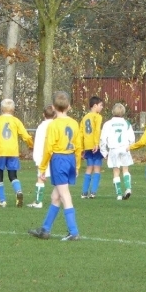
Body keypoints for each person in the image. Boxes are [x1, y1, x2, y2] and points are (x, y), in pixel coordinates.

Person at [29, 91, 82, 241]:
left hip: (59, 160)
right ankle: (45, 230)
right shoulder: (74, 123)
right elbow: (78, 146)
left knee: (64, 195)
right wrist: (77, 165)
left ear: (53, 107)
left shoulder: (53, 125)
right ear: (69, 107)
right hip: (71, 158)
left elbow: (49, 148)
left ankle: (74, 231)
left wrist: (42, 167)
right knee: (55, 196)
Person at [0, 99, 34, 208]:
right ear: (13, 109)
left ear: (1, 109)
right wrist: (31, 144)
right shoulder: (16, 121)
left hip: (1, 152)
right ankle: (18, 191)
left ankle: (2, 201)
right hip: (13, 153)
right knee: (13, 175)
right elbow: (25, 135)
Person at [100, 103, 135, 200]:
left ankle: (119, 194)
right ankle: (128, 188)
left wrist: (104, 152)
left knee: (116, 171)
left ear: (112, 112)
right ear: (124, 112)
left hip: (113, 149)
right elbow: (132, 138)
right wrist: (130, 146)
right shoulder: (127, 123)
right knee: (125, 169)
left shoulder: (108, 124)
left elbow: (103, 139)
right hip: (124, 148)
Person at [27, 104, 56, 208]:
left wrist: (37, 159)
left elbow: (38, 143)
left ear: (43, 114)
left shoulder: (41, 127)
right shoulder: (56, 125)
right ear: (55, 115)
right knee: (57, 179)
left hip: (43, 156)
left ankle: (38, 202)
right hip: (56, 156)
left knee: (40, 178)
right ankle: (59, 199)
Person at [79, 96, 104, 198]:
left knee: (89, 168)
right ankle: (93, 192)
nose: (102, 107)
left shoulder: (84, 118)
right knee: (97, 168)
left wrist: (81, 148)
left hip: (87, 146)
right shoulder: (97, 117)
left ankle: (84, 192)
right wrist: (96, 143)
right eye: (101, 105)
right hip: (95, 146)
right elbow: (97, 130)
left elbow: (80, 134)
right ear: (95, 106)